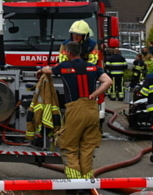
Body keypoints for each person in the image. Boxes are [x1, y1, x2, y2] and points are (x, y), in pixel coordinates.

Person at [39, 41, 112, 179]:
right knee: (87, 147)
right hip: (92, 109)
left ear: (67, 53)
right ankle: (87, 180)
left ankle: (75, 183)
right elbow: (108, 81)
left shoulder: (64, 66)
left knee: (69, 146)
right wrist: (95, 94)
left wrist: (41, 70)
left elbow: (48, 70)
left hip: (75, 109)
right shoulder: (93, 67)